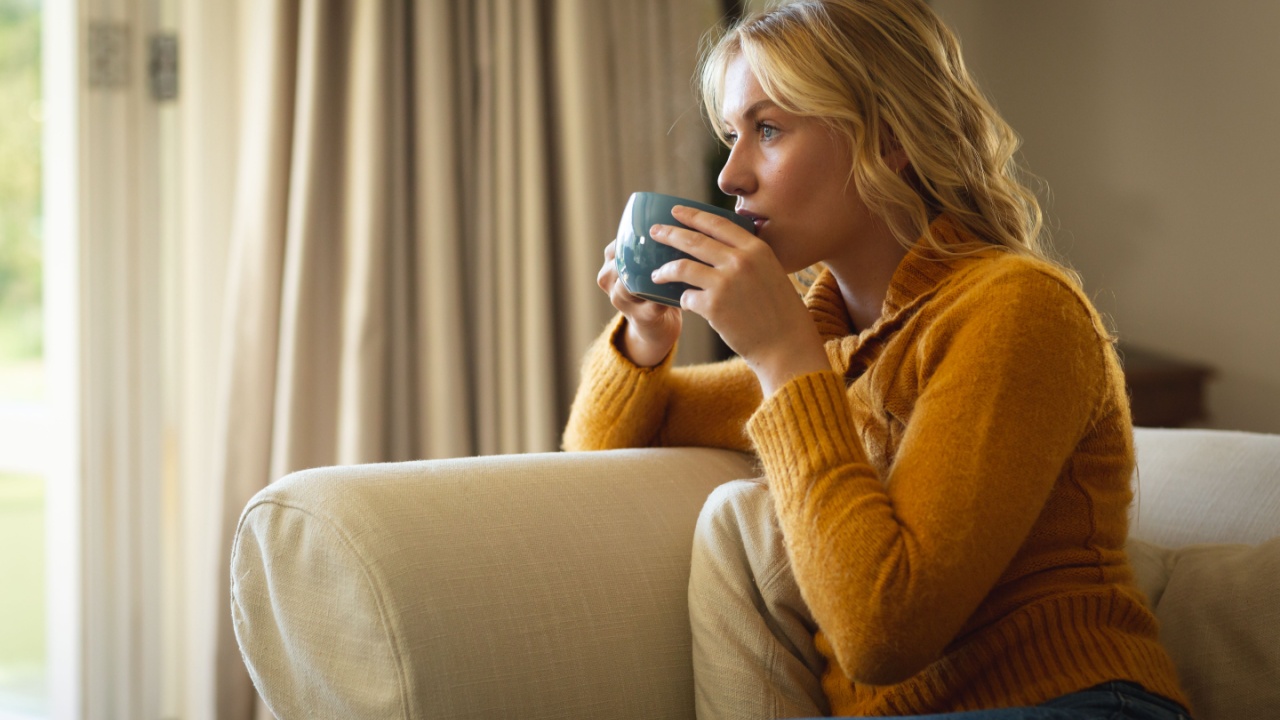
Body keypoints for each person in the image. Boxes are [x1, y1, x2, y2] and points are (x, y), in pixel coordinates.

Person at [562, 0, 1193, 718]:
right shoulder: (835, 352)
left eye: (767, 130)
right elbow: (603, 457)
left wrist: (782, 354)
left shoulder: (1020, 310)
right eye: (731, 136)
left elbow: (884, 634)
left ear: (889, 137)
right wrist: (647, 339)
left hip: (1072, 703)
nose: (731, 177)